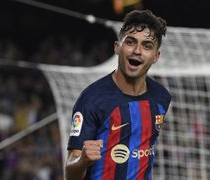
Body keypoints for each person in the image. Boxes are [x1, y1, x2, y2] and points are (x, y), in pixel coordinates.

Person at [65, 9, 171, 180]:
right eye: (130, 42)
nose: (137, 50)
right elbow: (70, 174)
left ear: (155, 56)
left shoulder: (161, 97)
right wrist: (83, 161)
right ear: (117, 47)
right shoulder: (92, 99)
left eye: (147, 46)